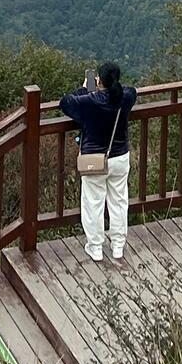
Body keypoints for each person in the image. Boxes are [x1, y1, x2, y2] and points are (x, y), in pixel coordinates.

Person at [59, 63, 137, 264]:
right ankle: (118, 246)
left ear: (99, 80)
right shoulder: (125, 98)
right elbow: (131, 90)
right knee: (119, 201)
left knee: (93, 203)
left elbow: (66, 102)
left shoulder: (89, 101)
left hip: (94, 160)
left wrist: (85, 88)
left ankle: (95, 248)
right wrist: (111, 84)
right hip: (119, 157)